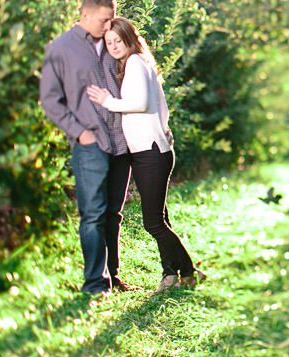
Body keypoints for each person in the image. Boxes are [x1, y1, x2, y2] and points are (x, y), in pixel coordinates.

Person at [86, 17, 205, 294]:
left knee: (152, 222)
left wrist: (108, 102)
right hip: (149, 150)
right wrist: (163, 130)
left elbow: (139, 103)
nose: (114, 46)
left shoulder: (137, 64)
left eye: (118, 40)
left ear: (129, 38)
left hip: (150, 152)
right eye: (109, 42)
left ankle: (188, 271)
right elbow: (159, 107)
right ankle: (171, 274)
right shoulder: (137, 63)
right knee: (160, 218)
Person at [39, 0, 138, 295]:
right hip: (90, 143)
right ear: (86, 14)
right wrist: (79, 132)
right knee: (92, 213)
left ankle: (113, 275)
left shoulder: (112, 44)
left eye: (112, 20)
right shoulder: (60, 49)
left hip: (122, 141)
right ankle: (95, 283)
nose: (109, 26)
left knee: (113, 213)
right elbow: (50, 100)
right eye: (105, 19)